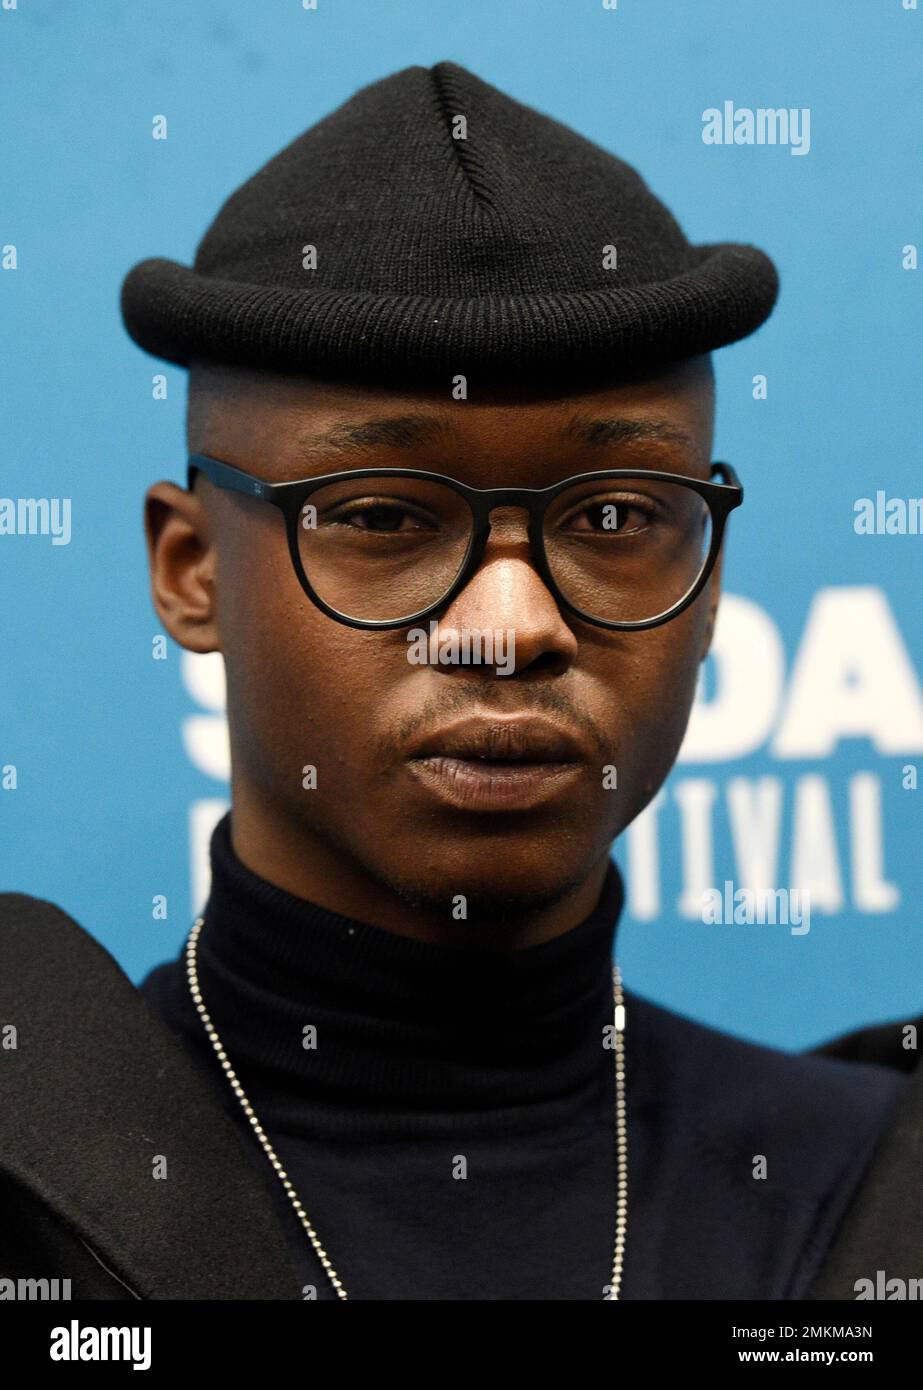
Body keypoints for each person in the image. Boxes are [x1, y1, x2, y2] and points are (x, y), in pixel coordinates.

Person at [1, 61, 919, 1302]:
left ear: (707, 584)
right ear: (190, 569)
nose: (509, 622)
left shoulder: (868, 1192)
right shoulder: (33, 1183)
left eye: (611, 514)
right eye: (382, 515)